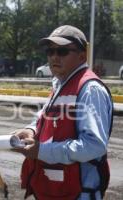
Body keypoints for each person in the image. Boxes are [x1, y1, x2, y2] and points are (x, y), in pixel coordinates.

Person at [12, 25, 113, 200]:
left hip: (78, 192)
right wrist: (31, 131)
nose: (54, 57)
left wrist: (41, 151)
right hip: (54, 190)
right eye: (50, 51)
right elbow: (43, 118)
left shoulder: (90, 90)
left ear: (82, 56)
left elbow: (93, 146)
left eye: (62, 51)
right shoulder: (61, 84)